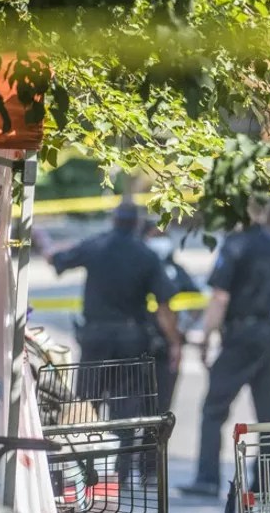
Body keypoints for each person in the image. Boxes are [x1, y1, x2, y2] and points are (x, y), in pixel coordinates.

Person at [49, 203, 182, 481]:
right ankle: (119, 474)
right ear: (136, 224)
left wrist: (44, 244)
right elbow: (164, 305)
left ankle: (83, 471)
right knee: (126, 410)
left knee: (87, 406)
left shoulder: (97, 246)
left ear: (113, 219)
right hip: (131, 341)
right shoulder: (146, 255)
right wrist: (174, 342)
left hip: (95, 338)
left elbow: (59, 260)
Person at [178, 196, 270, 499]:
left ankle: (207, 478)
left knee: (214, 408)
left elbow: (220, 298)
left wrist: (205, 336)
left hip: (241, 335)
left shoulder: (235, 245)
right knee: (268, 415)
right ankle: (263, 484)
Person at [142, 222, 201, 414]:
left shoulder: (176, 271)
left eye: (163, 236)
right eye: (156, 236)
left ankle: (153, 444)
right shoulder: (139, 267)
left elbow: (196, 301)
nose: (161, 242)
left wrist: (181, 330)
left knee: (161, 411)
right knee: (134, 411)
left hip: (166, 348)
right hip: (139, 346)